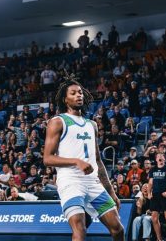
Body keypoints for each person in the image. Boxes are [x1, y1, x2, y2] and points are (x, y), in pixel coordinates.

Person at [43, 77, 124, 241]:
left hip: (92, 182)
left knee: (118, 229)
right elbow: (47, 158)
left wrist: (111, 192)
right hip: (70, 181)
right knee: (80, 230)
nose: (78, 95)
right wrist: (76, 161)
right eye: (73, 93)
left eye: (80, 92)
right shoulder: (58, 122)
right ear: (65, 99)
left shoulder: (91, 125)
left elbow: (98, 161)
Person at [148, 152, 166, 241]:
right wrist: (149, 193)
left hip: (164, 195)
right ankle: (159, 239)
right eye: (158, 156)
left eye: (162, 156)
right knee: (154, 218)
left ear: (164, 159)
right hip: (155, 195)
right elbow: (150, 182)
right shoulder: (153, 169)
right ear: (156, 159)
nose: (160, 158)